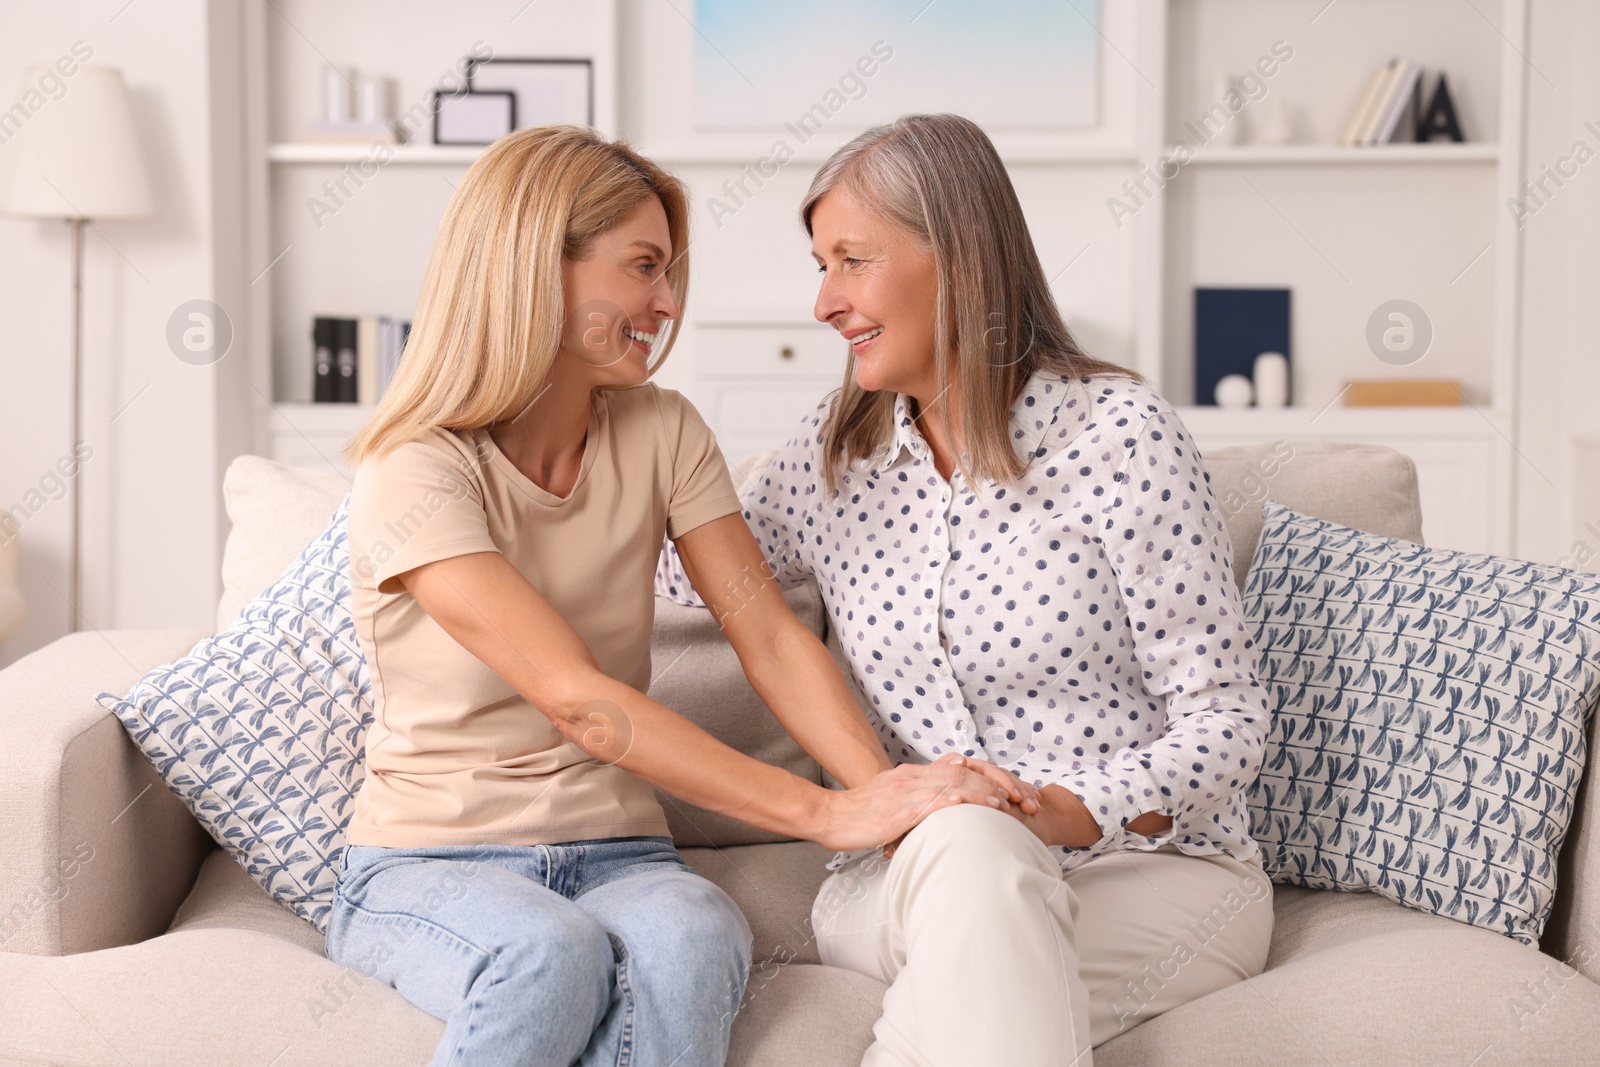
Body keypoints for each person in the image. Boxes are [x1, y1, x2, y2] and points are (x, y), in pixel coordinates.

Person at [325, 124, 1029, 1067]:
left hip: (620, 852)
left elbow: (768, 635)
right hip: (429, 863)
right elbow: (580, 700)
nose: (666, 303)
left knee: (697, 935)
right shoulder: (414, 471)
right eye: (643, 268)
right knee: (547, 952)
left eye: (669, 273)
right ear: (539, 266)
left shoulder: (664, 432)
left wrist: (885, 798)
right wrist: (821, 813)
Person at [656, 114, 1277, 1066]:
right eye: (821, 264)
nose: (825, 301)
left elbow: (1227, 717)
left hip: (1153, 875)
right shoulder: (834, 456)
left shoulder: (1118, 434)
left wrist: (1073, 807)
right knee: (973, 854)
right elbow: (687, 573)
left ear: (960, 258)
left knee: (977, 961)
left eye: (852, 260)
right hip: (906, 877)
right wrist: (610, 424)